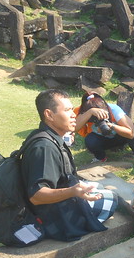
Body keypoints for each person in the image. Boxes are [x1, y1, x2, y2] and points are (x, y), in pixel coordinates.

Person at [21, 89, 118, 242]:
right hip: (53, 215)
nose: (74, 115)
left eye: (72, 110)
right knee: (112, 198)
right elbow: (36, 196)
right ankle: (76, 222)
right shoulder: (45, 147)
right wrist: (73, 191)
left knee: (99, 188)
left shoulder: (48, 136)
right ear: (49, 114)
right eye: (67, 110)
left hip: (58, 200)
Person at [74, 92, 134, 169]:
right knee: (90, 140)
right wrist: (90, 112)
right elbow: (73, 128)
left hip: (120, 137)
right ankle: (100, 158)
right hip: (103, 141)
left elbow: (130, 133)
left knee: (132, 128)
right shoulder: (83, 111)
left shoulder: (114, 109)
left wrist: (112, 126)